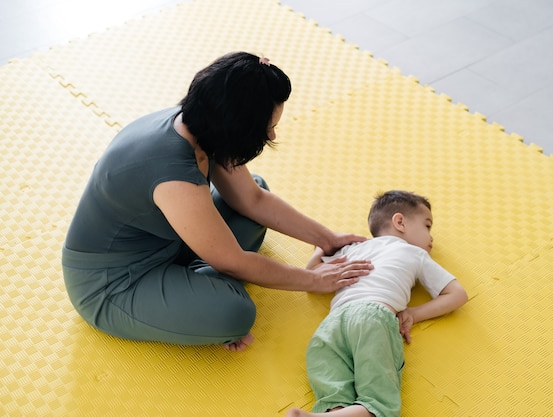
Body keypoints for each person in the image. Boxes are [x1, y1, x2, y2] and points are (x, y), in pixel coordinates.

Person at [61, 52, 373, 351]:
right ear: (237, 127)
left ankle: (196, 290)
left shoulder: (202, 121)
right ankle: (200, 295)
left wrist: (328, 240)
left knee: (251, 197)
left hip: (169, 241)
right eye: (269, 129)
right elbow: (232, 262)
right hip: (115, 282)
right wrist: (314, 280)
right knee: (235, 314)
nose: (273, 137)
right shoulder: (172, 174)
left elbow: (253, 199)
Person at [286, 190, 468, 417]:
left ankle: (327, 413)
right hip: (374, 318)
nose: (431, 238)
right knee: (379, 405)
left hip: (331, 325)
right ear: (400, 222)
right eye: (427, 226)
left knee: (334, 393)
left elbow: (311, 277)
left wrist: (321, 248)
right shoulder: (414, 252)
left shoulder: (353, 248)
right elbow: (457, 294)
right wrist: (413, 313)